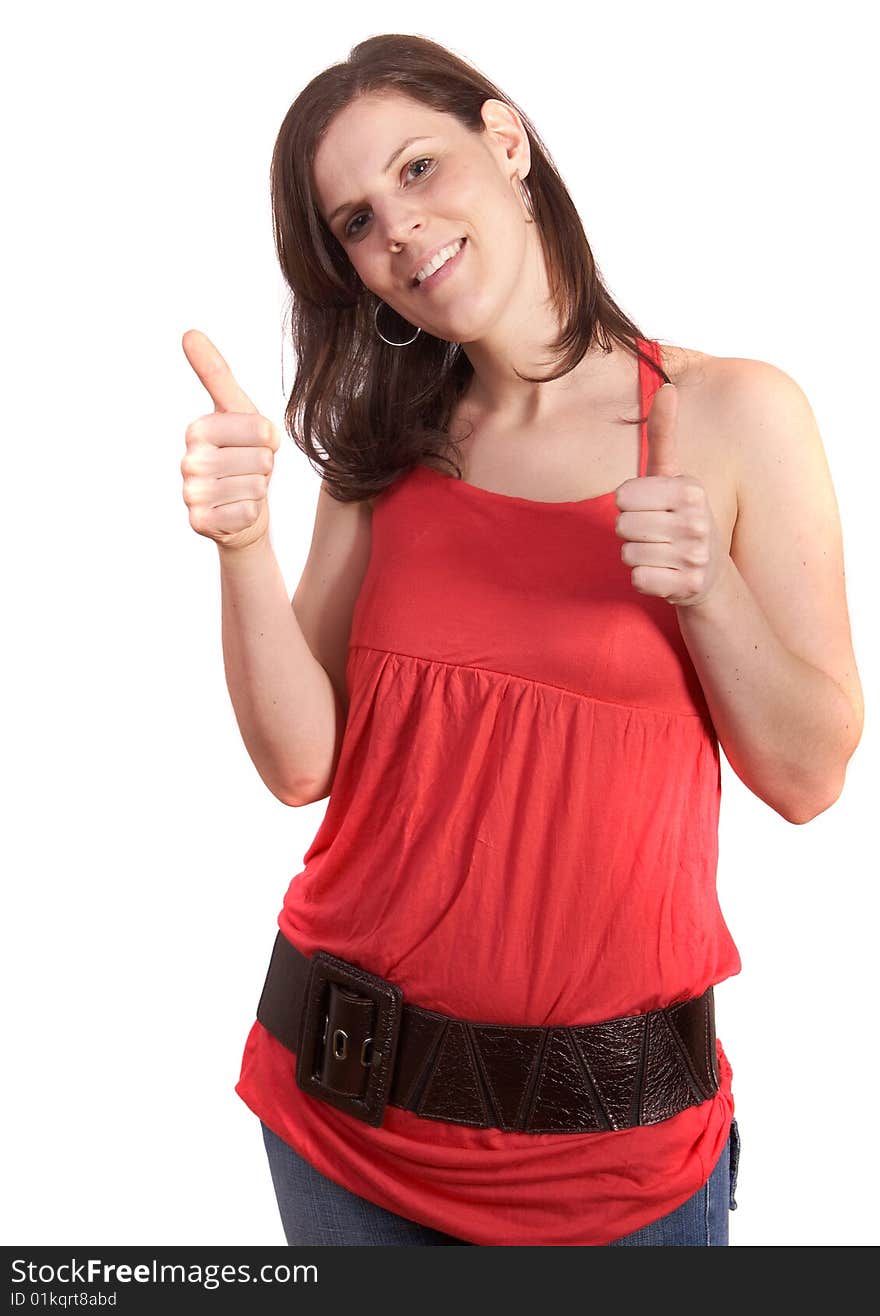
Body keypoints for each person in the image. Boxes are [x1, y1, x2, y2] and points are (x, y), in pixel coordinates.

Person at [180, 34, 864, 1246]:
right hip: (345, 1125)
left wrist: (707, 592)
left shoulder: (733, 414)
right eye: (354, 219)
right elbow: (300, 767)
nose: (397, 226)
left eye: (419, 169)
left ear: (506, 142)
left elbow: (810, 777)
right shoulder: (384, 442)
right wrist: (242, 545)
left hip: (619, 1165)